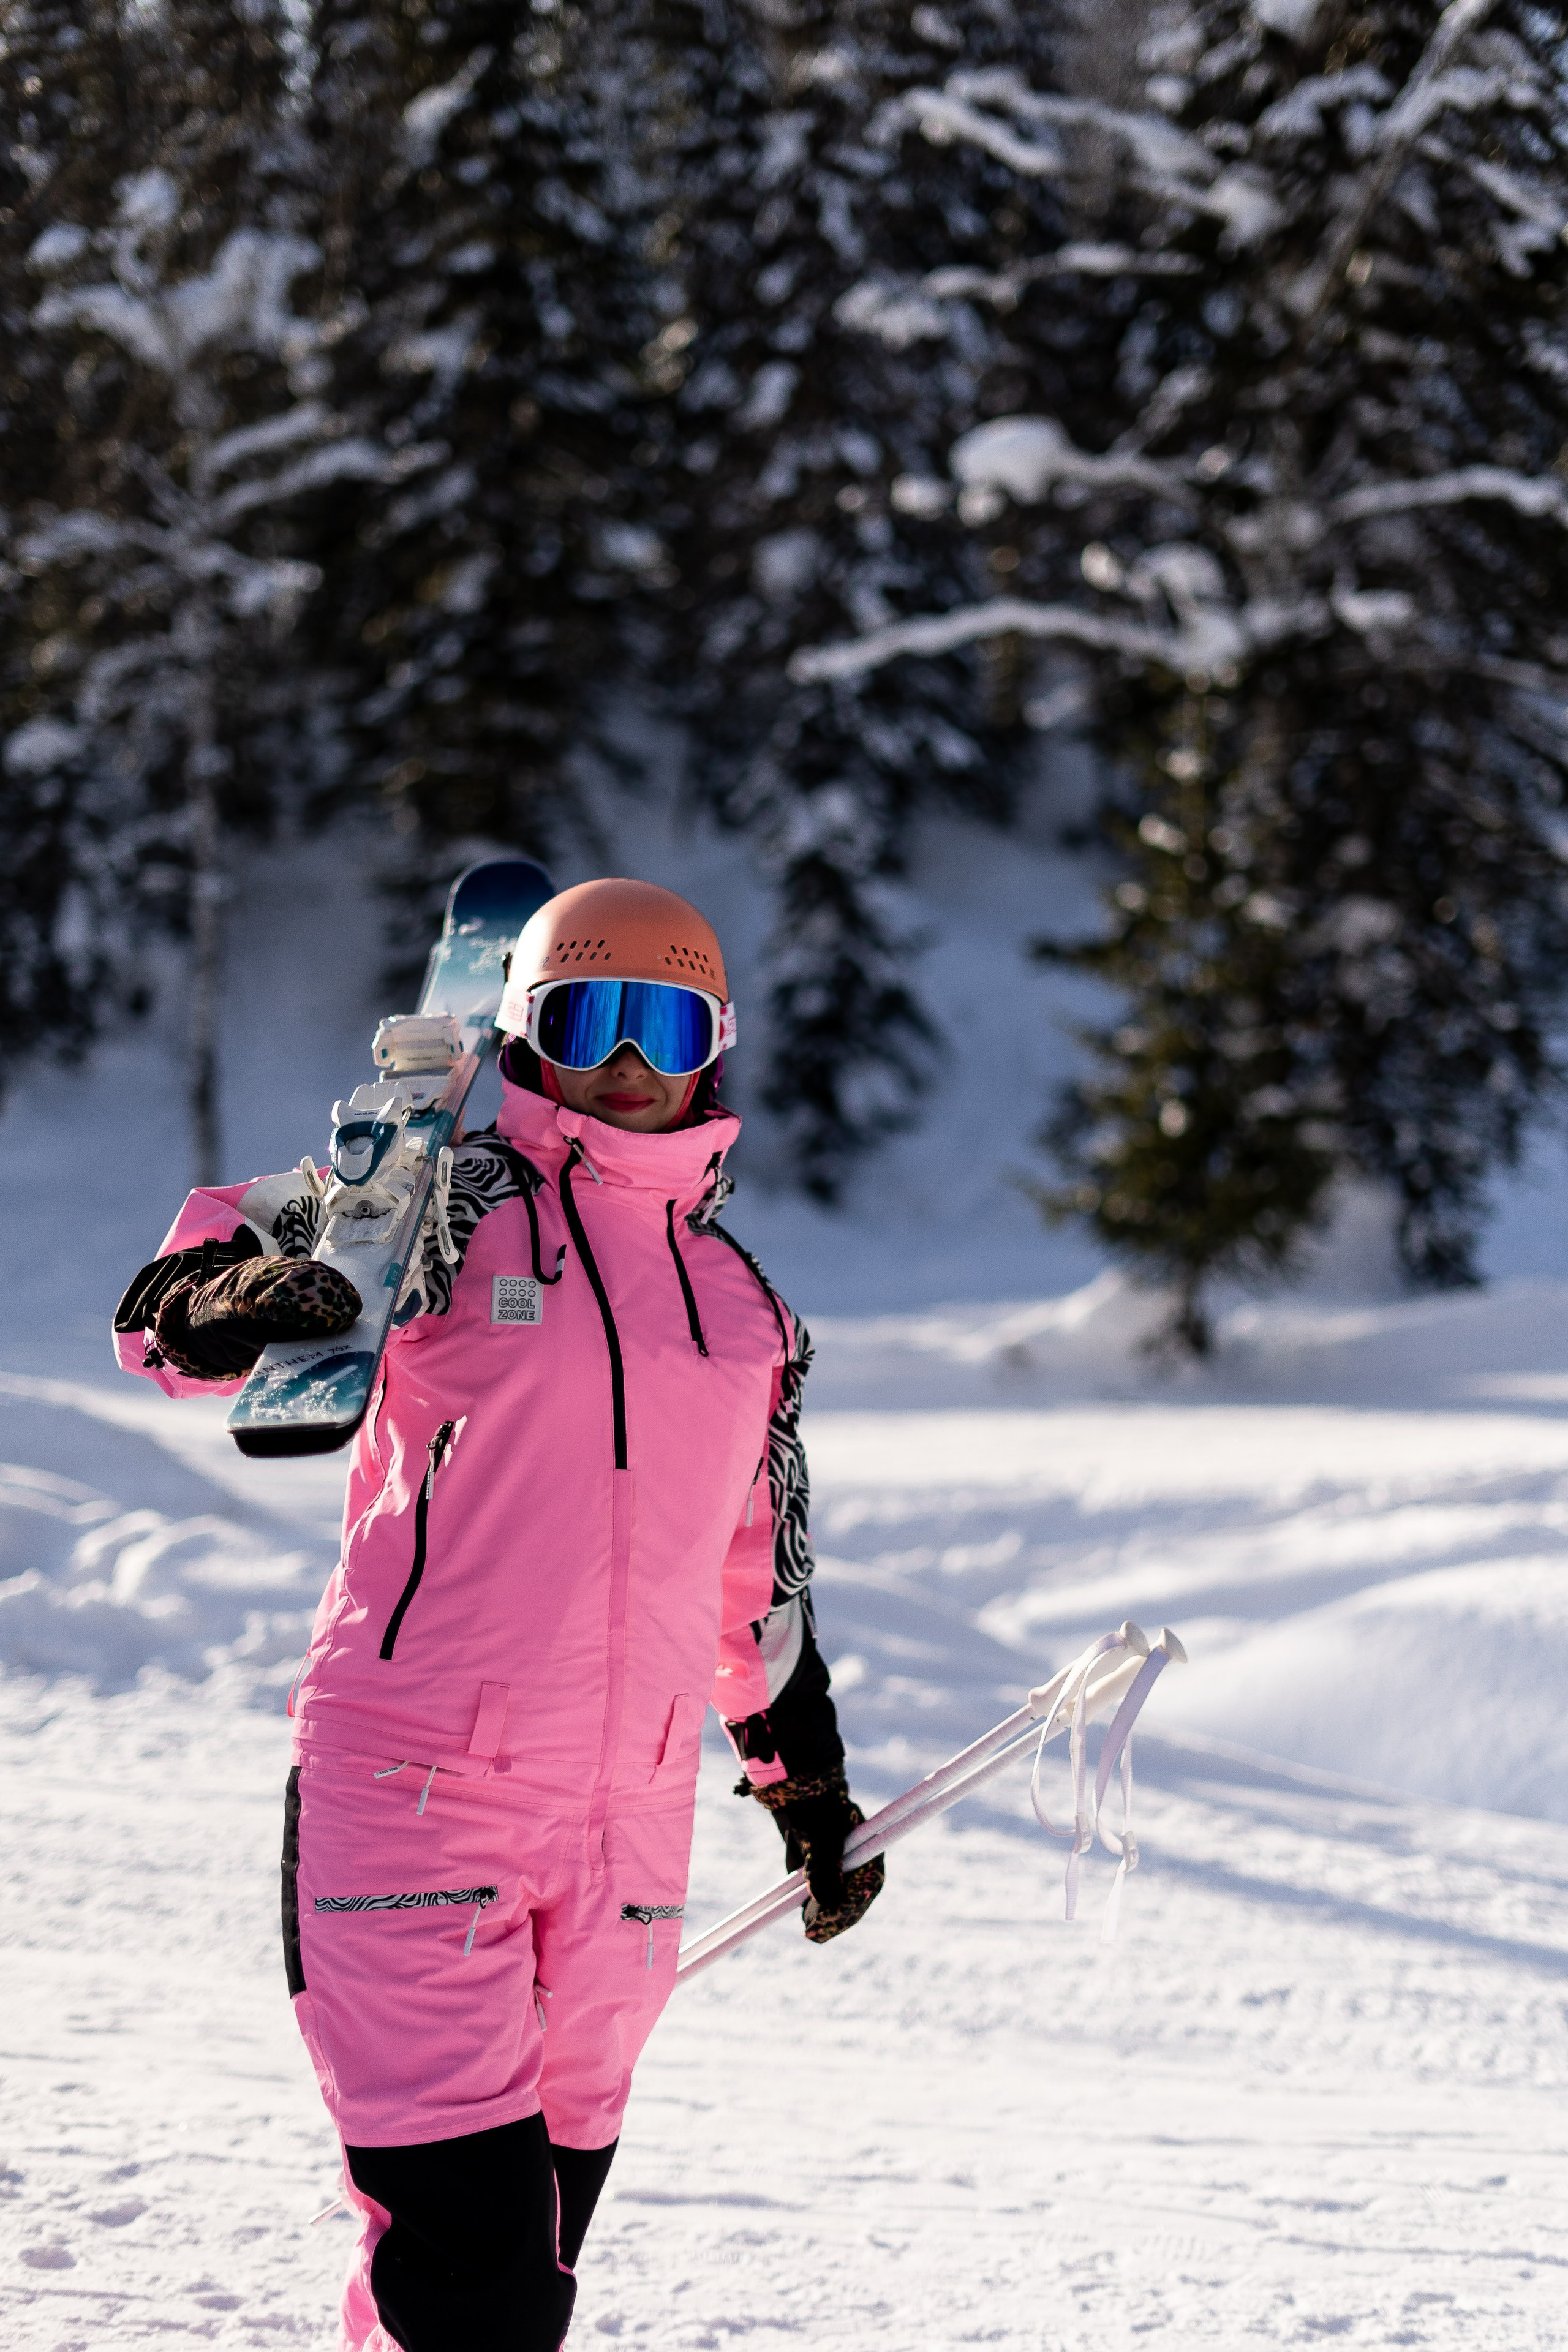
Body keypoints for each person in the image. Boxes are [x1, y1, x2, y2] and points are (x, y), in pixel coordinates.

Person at [111, 876, 883, 2352]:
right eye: (590, 1023)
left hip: (628, 1836)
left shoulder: (745, 1311)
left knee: (524, 2263)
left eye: (666, 1029)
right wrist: (225, 1299)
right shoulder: (429, 1206)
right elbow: (170, 1300)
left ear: (715, 1049)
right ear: (528, 1033)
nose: (629, 1066)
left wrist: (805, 1786)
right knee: (478, 2286)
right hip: (414, 1791)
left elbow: (754, 1576)